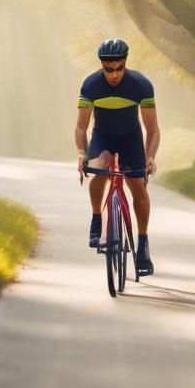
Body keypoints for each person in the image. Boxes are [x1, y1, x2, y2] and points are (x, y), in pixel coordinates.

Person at [75, 38, 160, 276]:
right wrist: (81, 153)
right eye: (108, 69)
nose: (114, 74)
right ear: (101, 66)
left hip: (130, 137)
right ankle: (96, 219)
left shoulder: (141, 85)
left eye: (119, 68)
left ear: (126, 63)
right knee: (99, 171)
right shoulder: (91, 85)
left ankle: (142, 246)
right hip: (102, 136)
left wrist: (150, 157)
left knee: (138, 187)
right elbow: (81, 127)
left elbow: (152, 128)